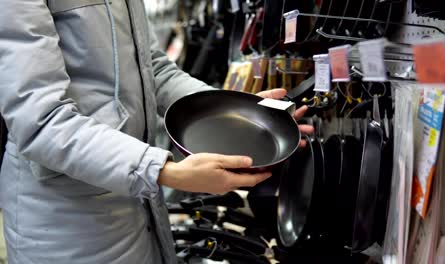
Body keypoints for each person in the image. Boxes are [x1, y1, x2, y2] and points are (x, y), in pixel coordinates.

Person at [0, 1, 313, 263]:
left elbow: (154, 69)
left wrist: (235, 114)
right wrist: (161, 170)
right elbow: (40, 119)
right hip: (66, 222)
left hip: (135, 202)